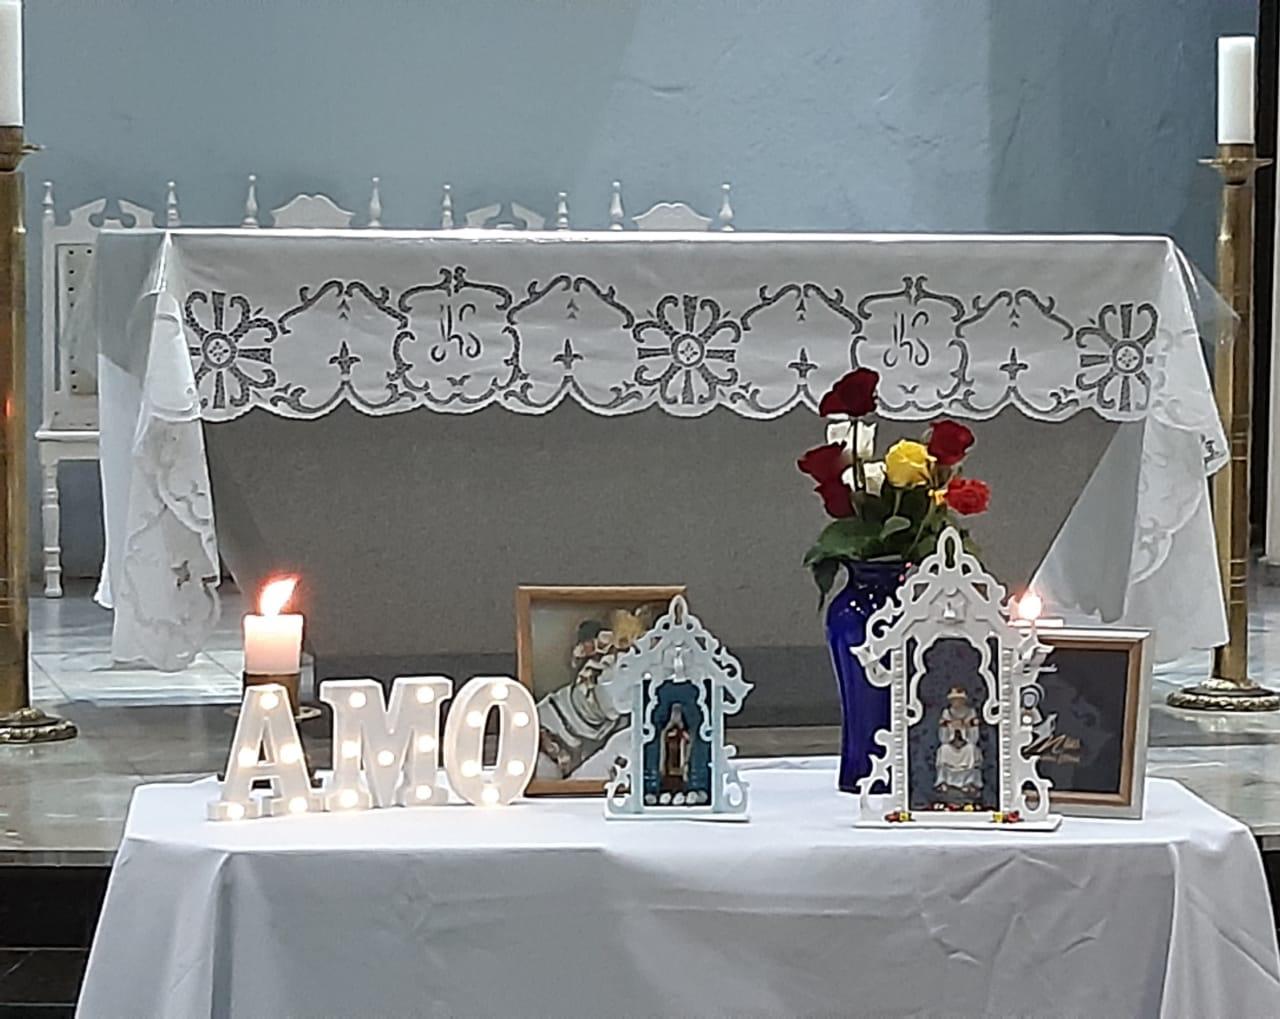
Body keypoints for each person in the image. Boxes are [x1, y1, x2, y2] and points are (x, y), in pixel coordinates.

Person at [935, 685, 982, 795]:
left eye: (959, 700)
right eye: (954, 700)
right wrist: (949, 728)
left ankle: (969, 782)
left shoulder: (970, 712)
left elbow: (974, 737)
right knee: (944, 749)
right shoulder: (947, 713)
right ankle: (944, 782)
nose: (956, 702)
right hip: (951, 745)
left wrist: (965, 728)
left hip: (965, 745)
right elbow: (943, 737)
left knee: (971, 750)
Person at [658, 703, 692, 794]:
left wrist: (681, 733)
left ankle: (679, 791)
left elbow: (687, 739)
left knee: (679, 773)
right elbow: (664, 735)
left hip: (680, 754)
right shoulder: (668, 729)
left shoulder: (683, 729)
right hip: (670, 755)